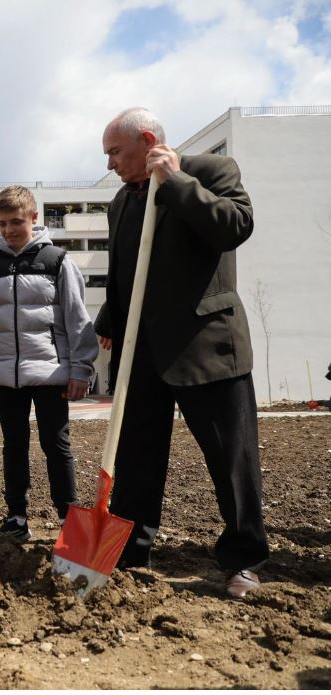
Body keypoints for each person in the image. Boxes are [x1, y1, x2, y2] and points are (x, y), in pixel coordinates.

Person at [95, 107, 269, 599]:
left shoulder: (210, 173)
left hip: (207, 345)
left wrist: (174, 182)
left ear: (147, 139)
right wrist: (109, 323)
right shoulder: (121, 203)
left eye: (115, 152)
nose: (110, 163)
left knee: (231, 459)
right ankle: (132, 552)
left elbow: (235, 225)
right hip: (142, 351)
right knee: (137, 459)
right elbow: (124, 273)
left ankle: (244, 558)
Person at [0, 185, 98, 542]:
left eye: (16, 222)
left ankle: (70, 518)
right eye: (2, 223)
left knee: (56, 445)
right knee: (13, 445)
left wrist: (80, 369)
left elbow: (77, 318)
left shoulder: (57, 260)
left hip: (50, 373)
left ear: (34, 218)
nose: (9, 230)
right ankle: (16, 518)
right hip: (5, 376)